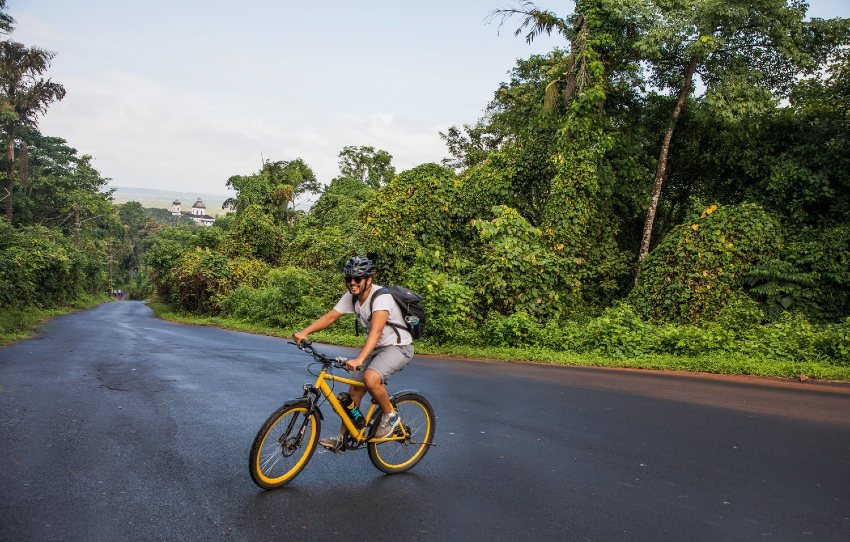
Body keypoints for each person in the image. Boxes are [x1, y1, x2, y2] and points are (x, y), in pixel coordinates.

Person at [293, 256, 414, 453]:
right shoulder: (352, 297)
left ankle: (391, 417)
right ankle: (343, 438)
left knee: (371, 378)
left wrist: (359, 359)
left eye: (357, 279)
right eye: (349, 279)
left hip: (398, 347)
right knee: (354, 392)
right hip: (376, 348)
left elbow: (375, 332)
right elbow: (331, 316)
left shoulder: (381, 297)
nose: (352, 283)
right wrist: (305, 332)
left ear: (369, 279)